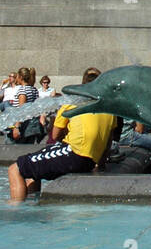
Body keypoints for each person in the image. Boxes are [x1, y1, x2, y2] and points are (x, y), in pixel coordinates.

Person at [7, 67, 119, 202]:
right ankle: (32, 203)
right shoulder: (108, 109)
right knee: (33, 170)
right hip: (89, 161)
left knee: (15, 168)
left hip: (74, 154)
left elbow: (55, 135)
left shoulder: (72, 103)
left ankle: (16, 211)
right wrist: (99, 165)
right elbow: (107, 143)